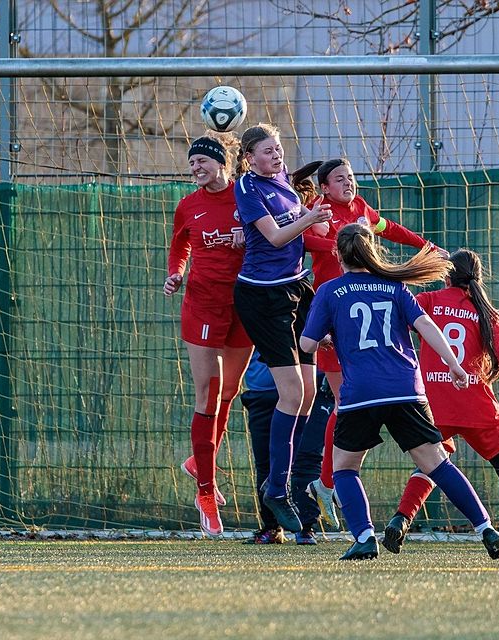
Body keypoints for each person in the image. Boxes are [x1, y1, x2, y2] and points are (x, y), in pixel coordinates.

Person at [300, 223, 499, 561]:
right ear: (372, 251)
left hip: (361, 394)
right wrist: (454, 366)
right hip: (406, 391)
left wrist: (325, 337)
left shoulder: (329, 291)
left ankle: (365, 536)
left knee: (344, 469)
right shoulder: (394, 288)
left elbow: (307, 343)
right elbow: (426, 326)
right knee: (437, 465)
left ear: (337, 253)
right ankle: (485, 528)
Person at [291, 158, 447, 530]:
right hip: (334, 320)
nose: (348, 184)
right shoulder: (321, 211)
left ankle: (330, 481)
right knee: (345, 404)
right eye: (340, 179)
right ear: (325, 187)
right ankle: (328, 481)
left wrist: (426, 245)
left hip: (365, 319)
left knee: (355, 404)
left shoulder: (360, 209)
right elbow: (303, 240)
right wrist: (340, 243)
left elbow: (389, 228)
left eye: (351, 178)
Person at [381, 249, 499, 560]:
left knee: (430, 466)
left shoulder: (429, 301)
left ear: (447, 275)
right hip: (479, 408)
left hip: (435, 406)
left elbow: (395, 317)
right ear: (478, 278)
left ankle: (400, 520)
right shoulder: (486, 313)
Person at [231, 123, 333, 534]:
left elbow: (311, 235)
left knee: (307, 394)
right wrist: (309, 217)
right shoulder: (248, 186)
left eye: (278, 148)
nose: (276, 155)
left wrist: (321, 221)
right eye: (267, 151)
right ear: (249, 158)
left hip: (295, 290)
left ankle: (283, 485)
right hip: (262, 297)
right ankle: (276, 490)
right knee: (291, 393)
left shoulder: (286, 185)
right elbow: (273, 238)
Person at [164, 133, 253, 537]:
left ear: (222, 163)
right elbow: (179, 246)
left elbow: (270, 237)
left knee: (229, 391)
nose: (196, 168)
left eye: (202, 161)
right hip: (202, 305)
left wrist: (246, 238)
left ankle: (200, 459)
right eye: (192, 163)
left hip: (243, 304)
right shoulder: (188, 206)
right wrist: (177, 273)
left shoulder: (246, 196)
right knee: (208, 393)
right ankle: (205, 490)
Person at [240, 349, 334, 545]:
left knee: (307, 456)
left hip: (310, 387)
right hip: (262, 388)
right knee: (266, 461)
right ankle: (272, 527)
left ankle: (306, 527)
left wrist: (332, 372)